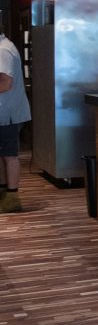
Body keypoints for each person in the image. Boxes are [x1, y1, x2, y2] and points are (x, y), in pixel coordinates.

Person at [0, 26, 31, 213]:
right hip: (5, 112)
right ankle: (4, 193)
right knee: (2, 153)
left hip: (8, 113)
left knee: (10, 155)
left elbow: (5, 83)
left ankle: (12, 198)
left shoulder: (3, 50)